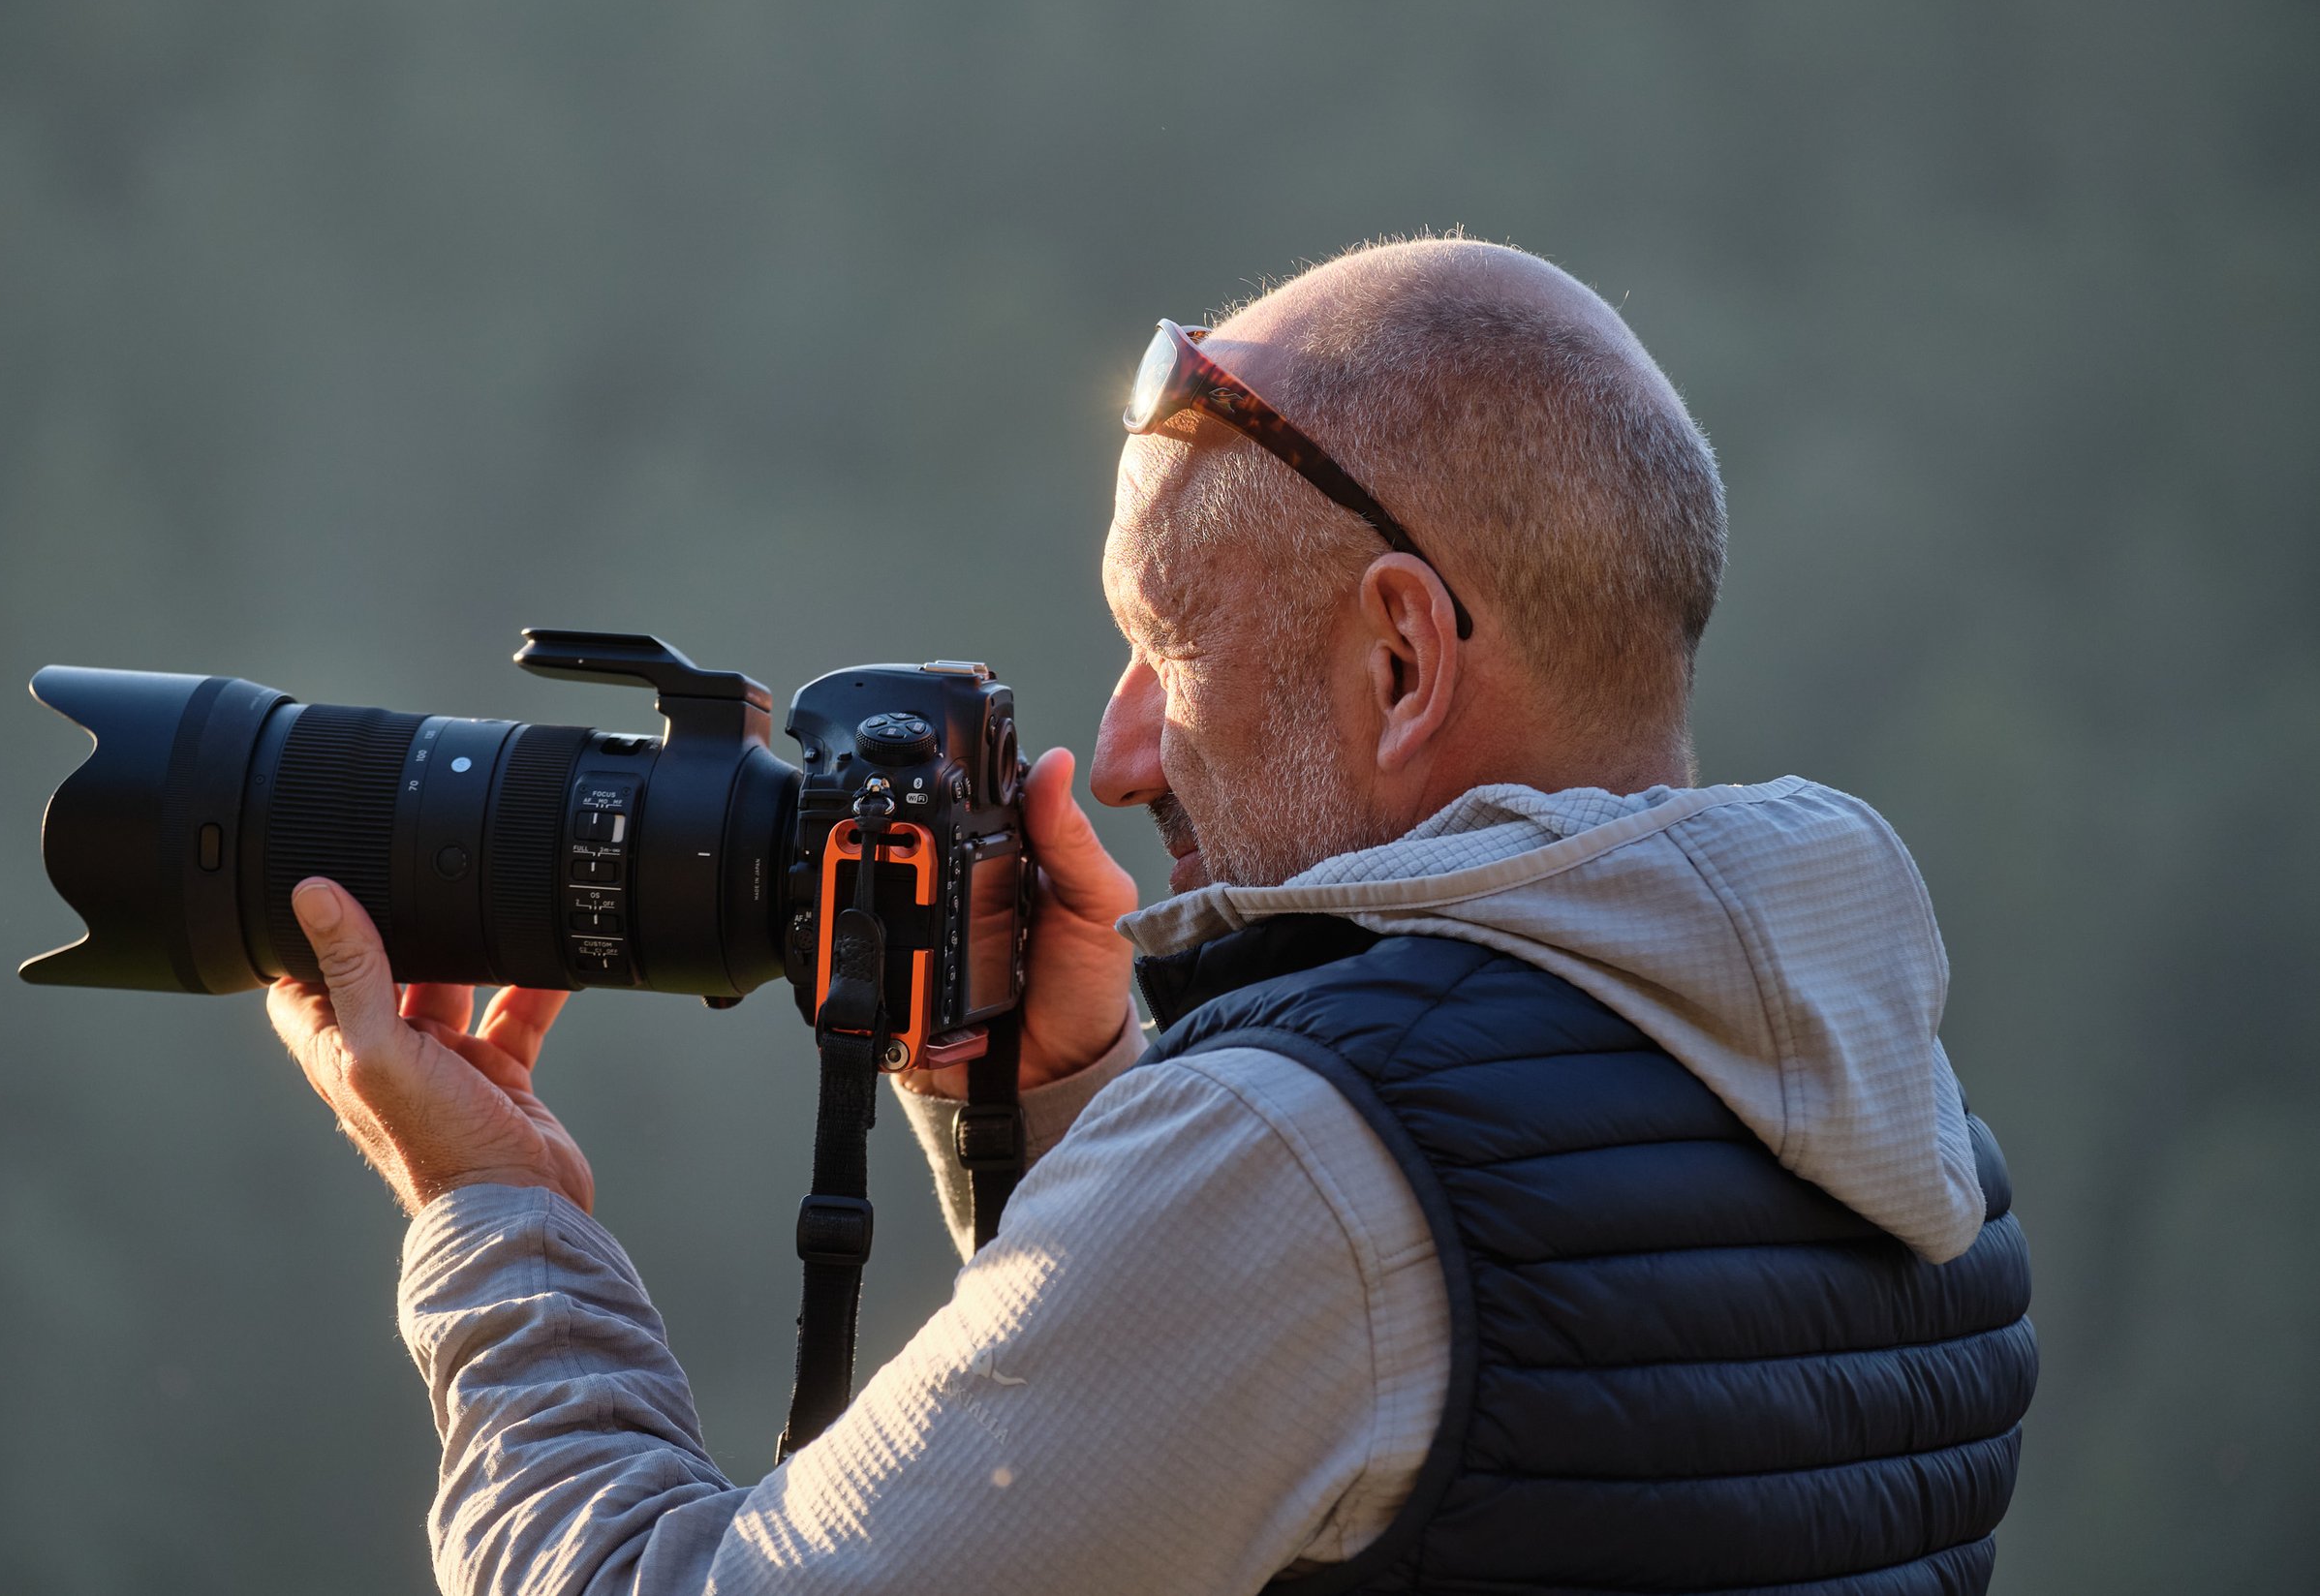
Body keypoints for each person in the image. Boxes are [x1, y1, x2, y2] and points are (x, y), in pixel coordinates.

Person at [270, 235, 2035, 1594]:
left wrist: (498, 1219)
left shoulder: (1314, 1162)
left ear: (1403, 658)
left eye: (1166, 648)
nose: (1115, 754)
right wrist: (1054, 1116)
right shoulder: (1909, 1137)